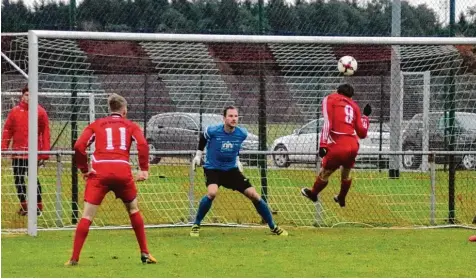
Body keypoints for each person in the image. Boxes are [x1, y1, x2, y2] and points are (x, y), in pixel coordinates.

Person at [65, 93, 156, 266]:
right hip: (122, 170)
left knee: (87, 215)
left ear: (110, 109)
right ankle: (145, 253)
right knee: (133, 209)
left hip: (99, 172)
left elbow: (78, 146)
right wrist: (143, 169)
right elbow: (143, 144)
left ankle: (74, 258)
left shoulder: (96, 124)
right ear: (124, 110)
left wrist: (85, 169)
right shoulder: (130, 125)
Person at [190, 106, 288, 237]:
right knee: (212, 193)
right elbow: (203, 136)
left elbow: (235, 146)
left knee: (254, 194)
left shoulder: (242, 134)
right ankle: (196, 224)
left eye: (235, 116)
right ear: (224, 118)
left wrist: (237, 160)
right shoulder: (213, 131)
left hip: (231, 170)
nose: (233, 119)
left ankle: (273, 226)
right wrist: (198, 155)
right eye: (230, 116)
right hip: (213, 168)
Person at [301, 84, 372, 207]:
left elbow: (328, 122)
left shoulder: (331, 99)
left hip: (338, 143)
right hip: (353, 145)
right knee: (346, 172)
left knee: (325, 172)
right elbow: (362, 133)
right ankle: (341, 197)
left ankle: (313, 194)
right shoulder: (354, 106)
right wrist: (365, 117)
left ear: (337, 91)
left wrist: (323, 144)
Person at [1, 86, 50, 216]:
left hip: (33, 153)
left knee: (33, 179)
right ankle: (24, 206)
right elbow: (7, 130)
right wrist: (4, 147)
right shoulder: (14, 112)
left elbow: (45, 133)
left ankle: (38, 207)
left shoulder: (40, 112)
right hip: (18, 153)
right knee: (18, 179)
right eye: (27, 94)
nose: (29, 97)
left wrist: (45, 152)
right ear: (22, 96)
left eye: (31, 95)